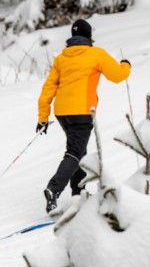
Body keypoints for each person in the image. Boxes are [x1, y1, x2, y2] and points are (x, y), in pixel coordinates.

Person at [37, 19, 131, 213]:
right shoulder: (96, 54)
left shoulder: (61, 58)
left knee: (78, 150)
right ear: (89, 37)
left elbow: (48, 89)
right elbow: (117, 76)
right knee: (75, 151)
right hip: (82, 112)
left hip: (62, 112)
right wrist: (126, 65)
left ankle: (77, 194)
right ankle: (53, 189)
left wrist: (43, 118)